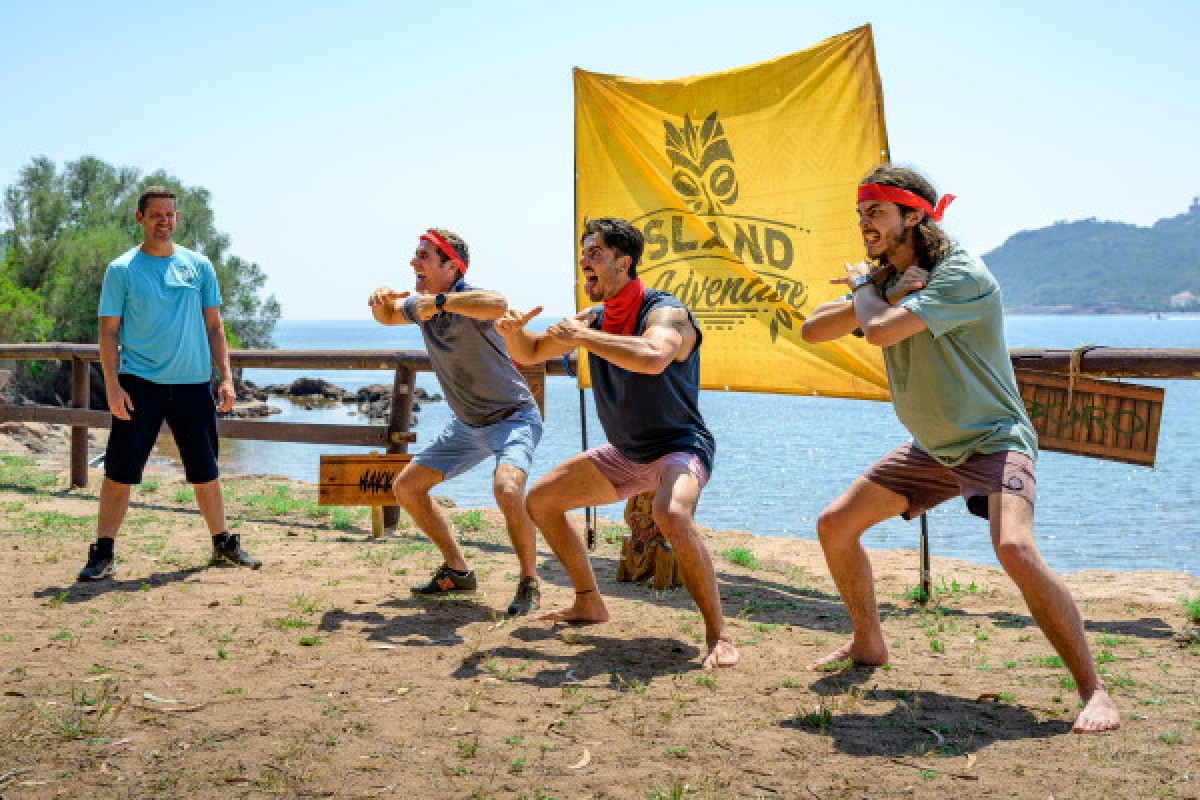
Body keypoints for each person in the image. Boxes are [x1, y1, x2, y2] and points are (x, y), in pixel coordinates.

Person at [799, 165, 1119, 733]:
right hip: (934, 448)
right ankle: (868, 643)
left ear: (914, 215)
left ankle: (1095, 691)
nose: (864, 223)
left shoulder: (961, 275)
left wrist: (869, 294)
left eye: (875, 212)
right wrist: (877, 289)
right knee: (834, 525)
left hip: (995, 440)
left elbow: (878, 332)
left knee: (1015, 549)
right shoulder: (889, 279)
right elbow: (812, 330)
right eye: (861, 213)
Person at [496, 217, 739, 670]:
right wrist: (511, 331)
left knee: (670, 513)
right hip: (626, 453)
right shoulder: (594, 317)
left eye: (595, 254)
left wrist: (584, 336)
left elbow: (653, 357)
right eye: (583, 253)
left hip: (679, 447)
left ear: (623, 263)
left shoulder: (666, 311)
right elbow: (529, 352)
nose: (584, 262)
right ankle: (590, 602)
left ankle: (719, 636)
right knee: (543, 502)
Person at [78, 186, 260, 581]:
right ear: (140, 218)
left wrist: (225, 376)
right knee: (118, 471)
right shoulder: (122, 270)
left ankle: (222, 541)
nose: (165, 221)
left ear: (177, 218)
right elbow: (109, 332)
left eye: (170, 214)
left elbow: (214, 325)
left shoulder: (200, 266)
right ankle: (103, 552)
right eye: (156, 215)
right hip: (139, 384)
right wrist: (112, 385)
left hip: (193, 385)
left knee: (206, 470)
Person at [367, 229, 544, 615]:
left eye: (424, 257)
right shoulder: (421, 306)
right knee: (407, 488)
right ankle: (457, 569)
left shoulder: (465, 300)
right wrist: (379, 296)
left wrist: (440, 302)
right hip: (466, 424)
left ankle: (529, 581)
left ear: (452, 266)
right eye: (414, 255)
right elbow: (385, 317)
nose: (414, 263)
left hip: (513, 418)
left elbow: (497, 302)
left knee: (508, 490)